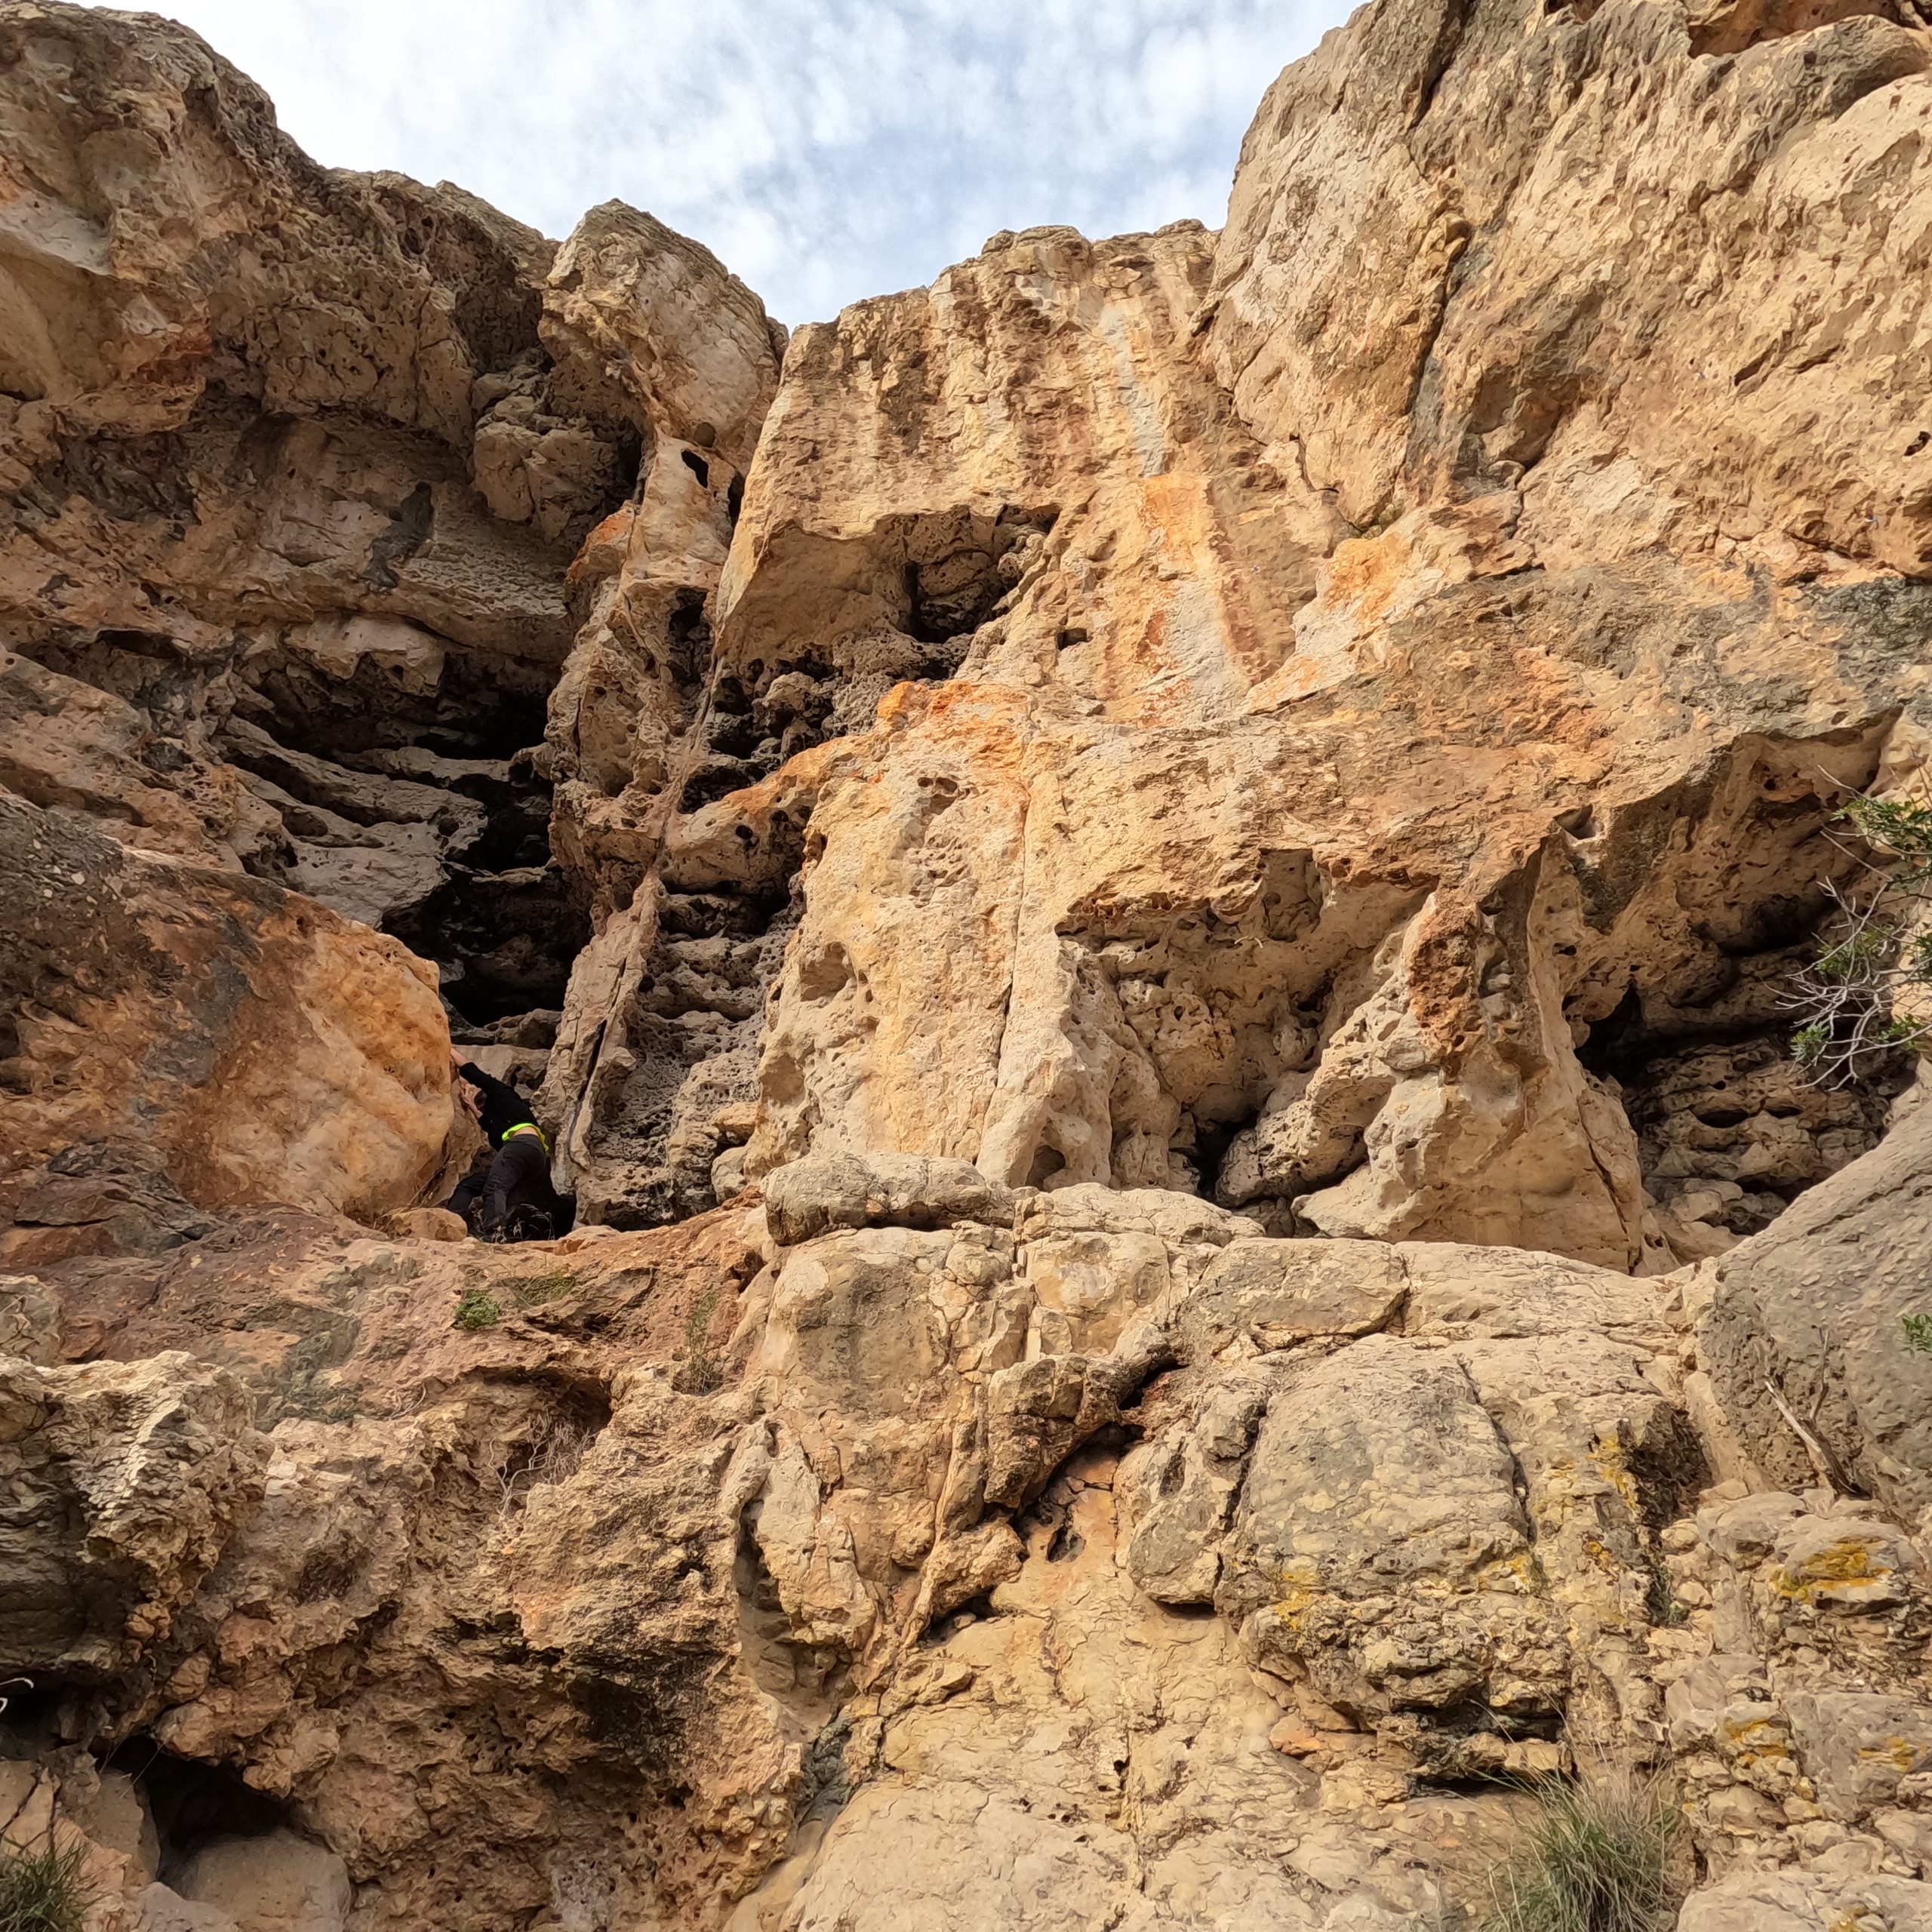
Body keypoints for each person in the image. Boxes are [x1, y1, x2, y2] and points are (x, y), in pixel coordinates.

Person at [446, 1049, 562, 1241]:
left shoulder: (501, 1093)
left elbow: (472, 1070)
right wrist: (471, 1104)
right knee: (471, 1185)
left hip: (522, 1146)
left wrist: (448, 1048)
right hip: (533, 1161)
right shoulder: (499, 1120)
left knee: (495, 1187)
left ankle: (493, 1235)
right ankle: (450, 1222)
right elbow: (486, 1122)